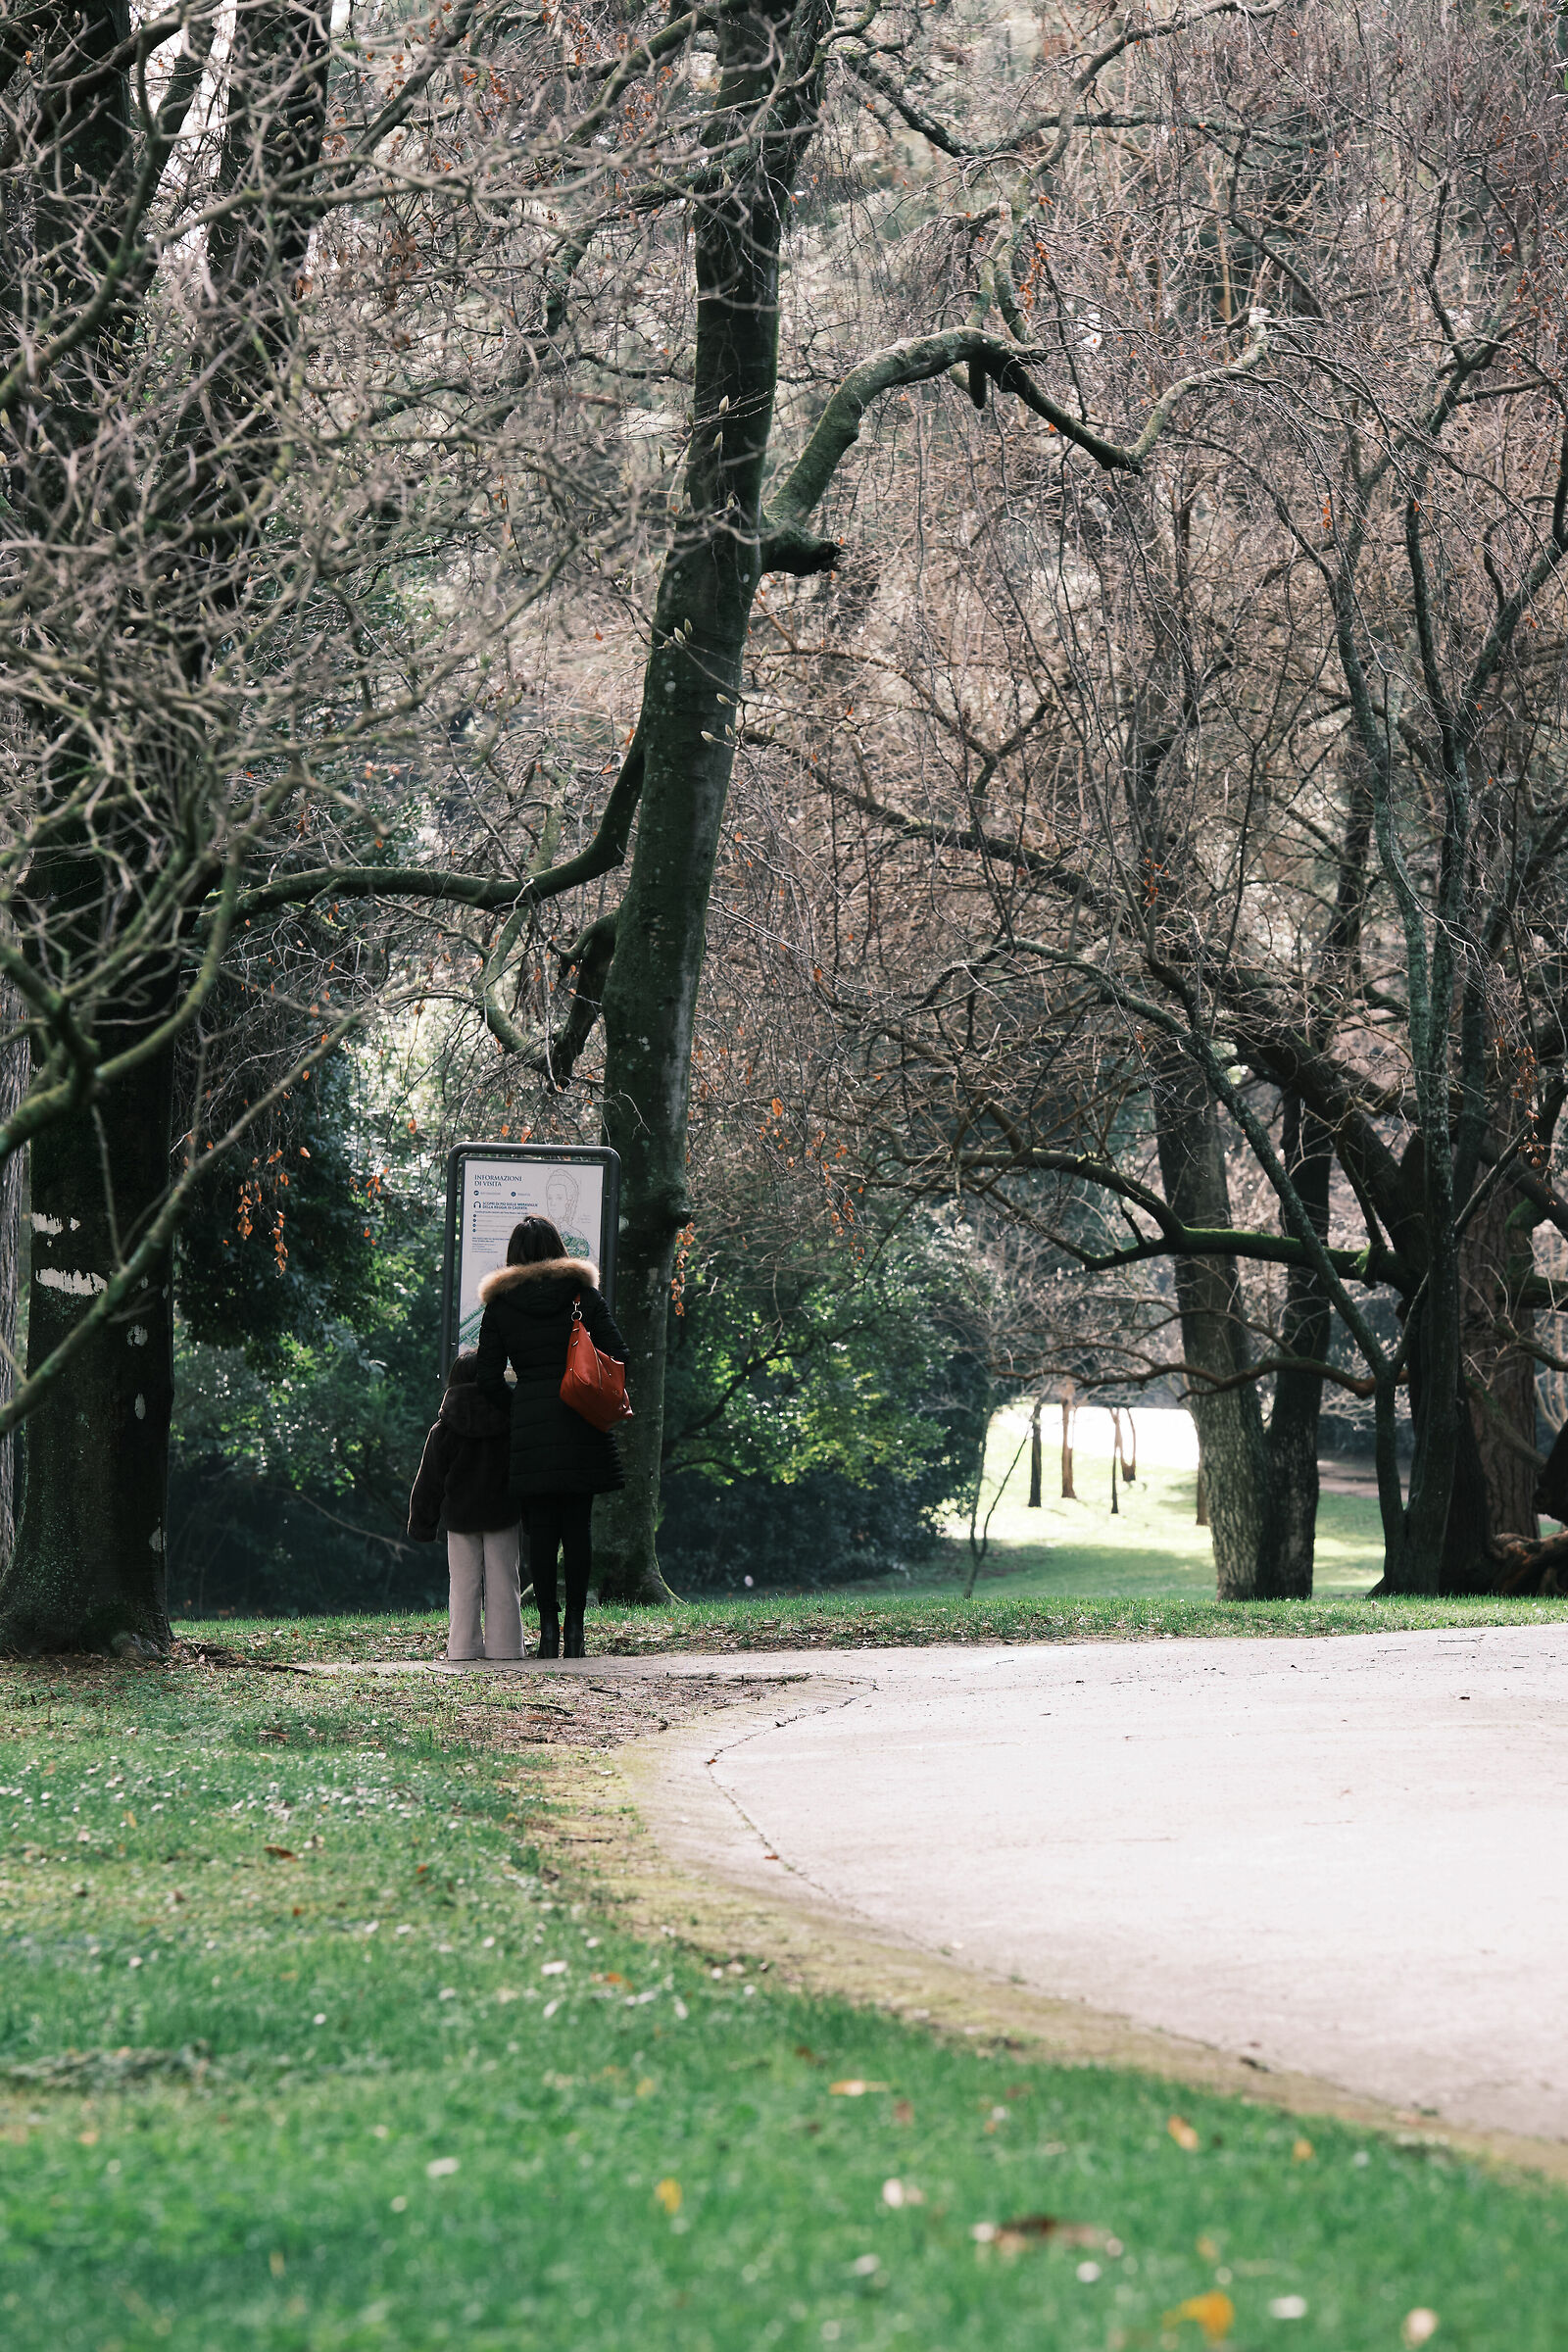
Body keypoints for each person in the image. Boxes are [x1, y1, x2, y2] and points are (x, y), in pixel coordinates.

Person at [476, 1214, 626, 1659]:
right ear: (560, 1248)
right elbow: (619, 1353)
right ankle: (577, 1631)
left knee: (540, 1533)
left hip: (532, 1430)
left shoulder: (501, 1306)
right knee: (577, 1528)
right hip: (581, 1423)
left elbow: (487, 1378)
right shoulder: (582, 1295)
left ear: (514, 1256)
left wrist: (520, 1407)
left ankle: (547, 1632)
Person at [408, 1350, 523, 1662]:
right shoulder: (511, 1420)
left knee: (462, 1584)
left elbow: (429, 1479)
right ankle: (507, 1648)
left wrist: (422, 1524)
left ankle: (462, 1648)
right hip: (503, 1512)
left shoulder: (443, 1429)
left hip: (459, 1518)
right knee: (504, 1582)